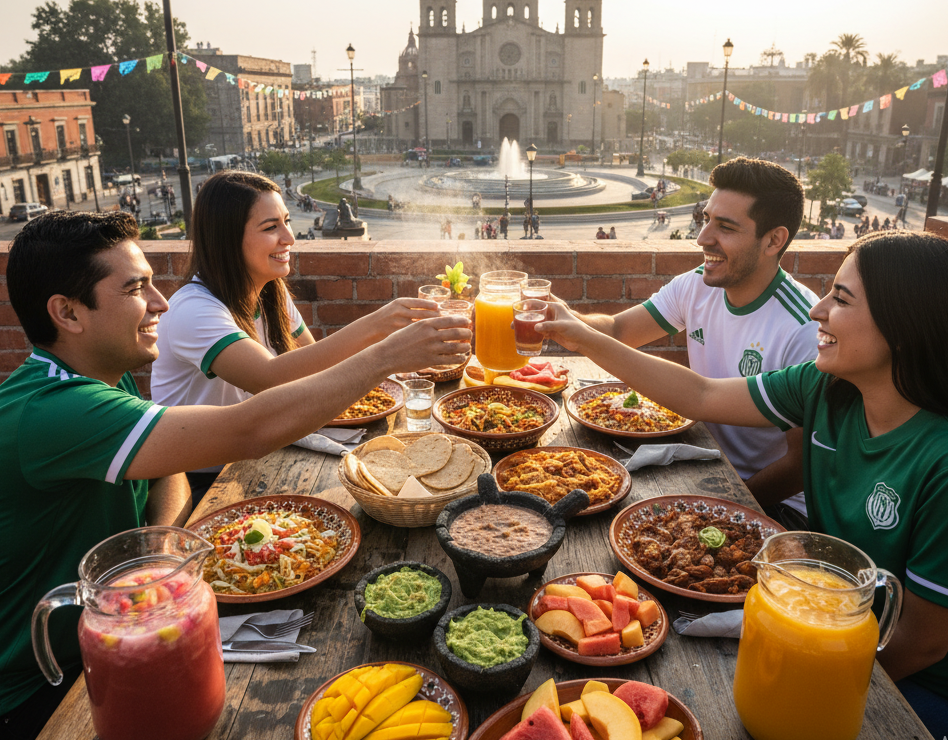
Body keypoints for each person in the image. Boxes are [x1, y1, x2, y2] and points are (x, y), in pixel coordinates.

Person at [0, 211, 470, 735]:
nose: (159, 303)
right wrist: (384, 356)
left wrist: (162, 563)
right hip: (49, 688)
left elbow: (168, 470)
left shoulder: (99, 377)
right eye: (135, 289)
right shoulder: (52, 410)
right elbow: (249, 429)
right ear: (67, 312)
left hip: (136, 634)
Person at [541, 230, 948, 735]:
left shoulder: (940, 461)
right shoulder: (825, 386)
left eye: (840, 299)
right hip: (806, 621)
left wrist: (814, 680)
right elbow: (701, 395)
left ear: (904, 326)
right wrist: (582, 337)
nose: (817, 310)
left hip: (903, 681)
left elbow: (924, 642)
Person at [150, 171, 439, 498]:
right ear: (226, 239)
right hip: (204, 479)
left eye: (286, 221)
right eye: (270, 227)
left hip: (265, 452)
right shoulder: (193, 310)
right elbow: (268, 377)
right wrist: (381, 332)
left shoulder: (269, 290)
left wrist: (390, 334)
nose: (289, 237)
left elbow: (316, 366)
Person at [561, 157, 817, 523]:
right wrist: (561, 314)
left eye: (725, 227)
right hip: (704, 461)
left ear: (773, 240)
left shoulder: (804, 327)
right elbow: (618, 331)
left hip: (773, 503)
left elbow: (800, 467)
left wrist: (719, 508)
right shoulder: (697, 284)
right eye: (706, 219)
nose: (702, 237)